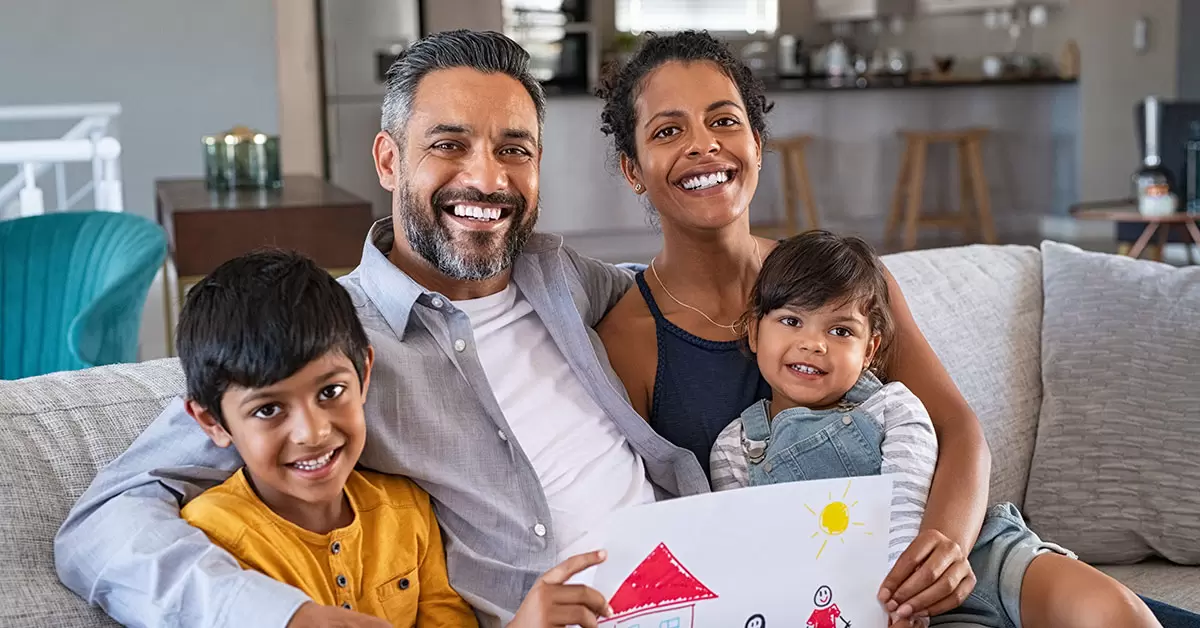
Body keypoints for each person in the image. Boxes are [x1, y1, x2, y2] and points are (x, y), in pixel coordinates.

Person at [55, 30, 694, 628]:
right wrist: (289, 617)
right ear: (389, 160)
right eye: (449, 145)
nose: (488, 178)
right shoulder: (324, 342)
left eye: (513, 150)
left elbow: (693, 298)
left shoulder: (565, 276)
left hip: (700, 581)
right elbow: (103, 523)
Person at [593, 30, 1200, 627]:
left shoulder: (847, 280)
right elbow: (658, 537)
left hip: (954, 558)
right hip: (819, 602)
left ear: (757, 141)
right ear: (633, 169)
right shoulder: (630, 338)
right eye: (668, 131)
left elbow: (959, 430)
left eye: (723, 120)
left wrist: (944, 547)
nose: (704, 145)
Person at [708, 231, 1159, 628]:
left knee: (1116, 612)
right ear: (753, 332)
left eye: (841, 330)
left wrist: (900, 598)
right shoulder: (736, 447)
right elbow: (758, 561)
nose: (813, 343)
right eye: (790, 321)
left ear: (871, 350)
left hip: (977, 559)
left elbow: (905, 507)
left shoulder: (895, 407)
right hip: (859, 606)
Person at [173, 249, 478, 626]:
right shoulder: (210, 536)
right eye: (268, 409)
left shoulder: (406, 508)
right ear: (212, 422)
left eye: (330, 392)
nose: (313, 432)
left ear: (364, 373)